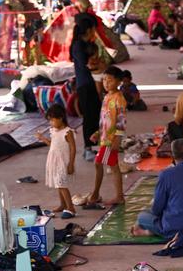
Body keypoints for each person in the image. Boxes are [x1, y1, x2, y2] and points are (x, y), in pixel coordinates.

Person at [133, 139, 183, 239]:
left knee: (142, 216)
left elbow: (157, 209)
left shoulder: (166, 175)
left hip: (174, 229)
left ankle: (153, 231)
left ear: (172, 155)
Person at [83, 66, 128, 210]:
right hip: (105, 137)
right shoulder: (107, 96)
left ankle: (96, 194)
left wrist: (117, 139)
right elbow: (104, 119)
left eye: (110, 80)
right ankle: (119, 196)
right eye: (104, 80)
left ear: (118, 81)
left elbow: (121, 122)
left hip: (110, 140)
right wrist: (97, 132)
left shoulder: (119, 99)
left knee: (98, 163)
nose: (106, 83)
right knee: (113, 167)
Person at [32, 104, 76, 219]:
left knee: (62, 184)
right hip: (54, 161)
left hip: (63, 162)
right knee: (58, 183)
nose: (50, 123)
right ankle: (62, 204)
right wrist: (42, 138)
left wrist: (71, 163)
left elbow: (73, 148)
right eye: (49, 120)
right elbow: (52, 144)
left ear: (60, 118)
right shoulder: (53, 130)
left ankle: (71, 208)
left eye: (52, 120)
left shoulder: (68, 132)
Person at [71, 20, 102, 160]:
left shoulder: (88, 45)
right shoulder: (78, 46)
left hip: (92, 82)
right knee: (89, 117)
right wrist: (98, 68)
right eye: (93, 29)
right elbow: (86, 65)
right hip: (85, 84)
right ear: (88, 30)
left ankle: (95, 144)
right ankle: (87, 148)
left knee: (96, 114)